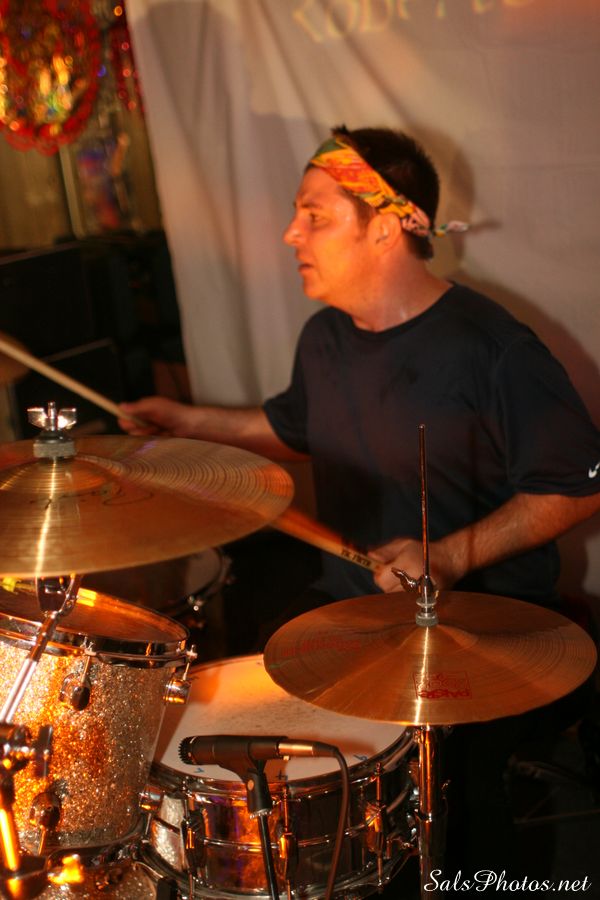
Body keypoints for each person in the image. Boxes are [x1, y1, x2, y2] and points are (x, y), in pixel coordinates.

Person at [120, 126, 600, 878]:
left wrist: (450, 554)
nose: (291, 233)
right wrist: (188, 422)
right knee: (251, 705)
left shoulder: (493, 347)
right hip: (350, 609)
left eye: (314, 214)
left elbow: (577, 487)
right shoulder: (325, 338)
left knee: (456, 802)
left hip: (479, 626)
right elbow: (292, 427)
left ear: (385, 226)